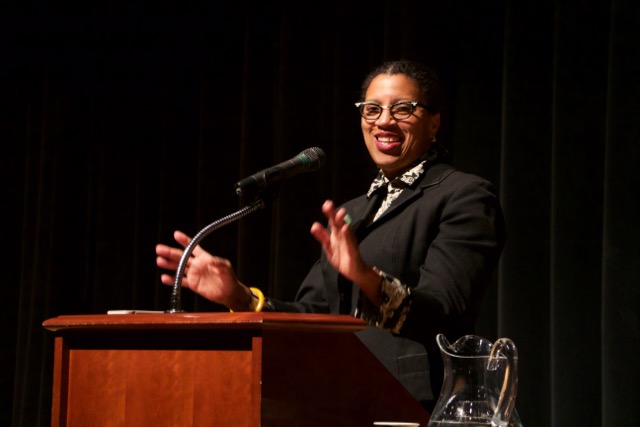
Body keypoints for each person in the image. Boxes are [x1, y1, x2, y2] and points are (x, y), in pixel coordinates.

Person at [156, 60, 506, 410]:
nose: (384, 121)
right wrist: (242, 297)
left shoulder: (464, 196)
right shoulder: (353, 212)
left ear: (434, 123)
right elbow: (314, 315)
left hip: (414, 402)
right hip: (338, 400)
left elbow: (444, 313)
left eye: (403, 109)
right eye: (372, 110)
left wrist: (367, 278)